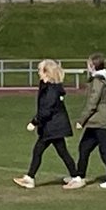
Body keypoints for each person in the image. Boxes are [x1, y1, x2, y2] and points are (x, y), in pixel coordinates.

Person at [14, 58, 81, 189]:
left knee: (44, 150)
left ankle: (30, 178)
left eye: (40, 70)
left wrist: (34, 122)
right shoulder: (48, 87)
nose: (38, 72)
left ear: (46, 72)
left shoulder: (52, 90)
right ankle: (75, 176)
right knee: (59, 151)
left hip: (53, 126)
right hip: (52, 126)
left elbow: (46, 109)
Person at [66, 52, 106, 190]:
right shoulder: (99, 79)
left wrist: (82, 120)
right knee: (84, 147)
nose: (87, 66)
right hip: (96, 121)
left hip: (99, 120)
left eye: (88, 64)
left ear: (93, 65)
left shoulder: (98, 81)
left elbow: (93, 102)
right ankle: (79, 176)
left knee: (105, 149)